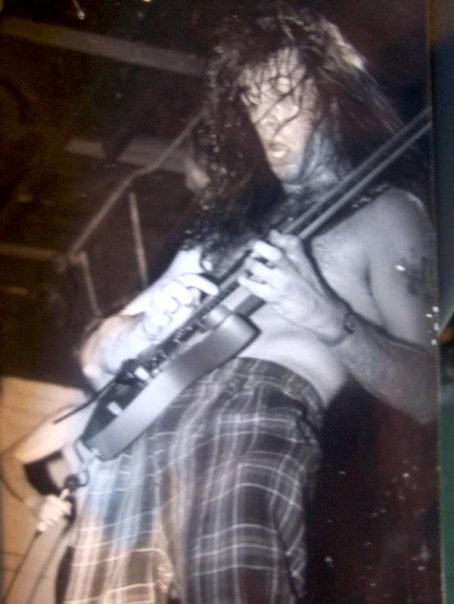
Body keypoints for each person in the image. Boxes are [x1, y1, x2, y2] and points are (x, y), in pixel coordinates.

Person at [1, 4, 437, 603]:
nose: (268, 118)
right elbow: (94, 357)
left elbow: (426, 393)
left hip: (247, 418)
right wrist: (145, 326)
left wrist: (326, 318)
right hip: (132, 447)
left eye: (285, 96)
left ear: (332, 95)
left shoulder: (389, 215)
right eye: (253, 101)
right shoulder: (221, 231)